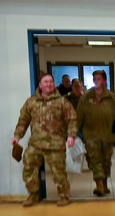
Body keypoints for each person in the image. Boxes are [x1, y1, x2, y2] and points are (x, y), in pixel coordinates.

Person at [12, 73, 78, 207]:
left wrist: (71, 136)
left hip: (55, 144)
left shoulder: (62, 101)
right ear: (40, 85)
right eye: (46, 82)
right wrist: (17, 136)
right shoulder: (31, 102)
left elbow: (72, 119)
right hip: (35, 144)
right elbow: (23, 121)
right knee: (29, 168)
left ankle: (64, 195)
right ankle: (33, 194)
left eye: (51, 82)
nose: (49, 84)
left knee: (58, 172)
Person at [77, 69, 115, 197]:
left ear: (104, 81)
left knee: (106, 161)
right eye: (95, 79)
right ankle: (99, 185)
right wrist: (74, 132)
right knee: (94, 159)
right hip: (91, 134)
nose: (96, 81)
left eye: (99, 79)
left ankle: (104, 184)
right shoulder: (86, 97)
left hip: (108, 135)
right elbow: (79, 116)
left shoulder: (111, 97)